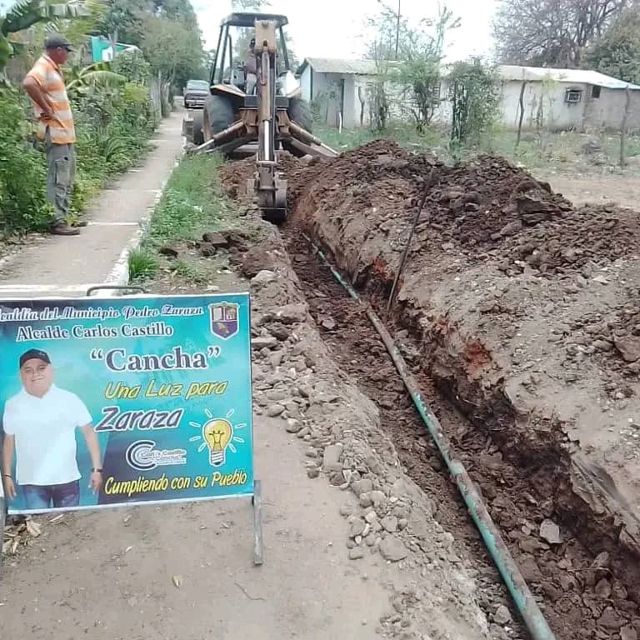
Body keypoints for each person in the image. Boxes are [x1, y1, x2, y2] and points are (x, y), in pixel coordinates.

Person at [1, 349, 103, 511]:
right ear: (21, 375)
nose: (35, 374)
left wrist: (96, 470)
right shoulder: (13, 405)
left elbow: (89, 433)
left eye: (41, 368)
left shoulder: (70, 400)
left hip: (67, 480)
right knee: (39, 530)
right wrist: (6, 476)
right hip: (33, 483)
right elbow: (8, 441)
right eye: (28, 370)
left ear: (51, 370)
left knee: (69, 529)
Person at [23, 34, 84, 236]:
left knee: (66, 178)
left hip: (64, 135)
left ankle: (63, 217)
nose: (67, 55)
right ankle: (57, 221)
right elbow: (29, 83)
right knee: (58, 177)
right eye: (66, 51)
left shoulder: (53, 69)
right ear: (58, 50)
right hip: (56, 133)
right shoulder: (44, 66)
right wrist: (46, 107)